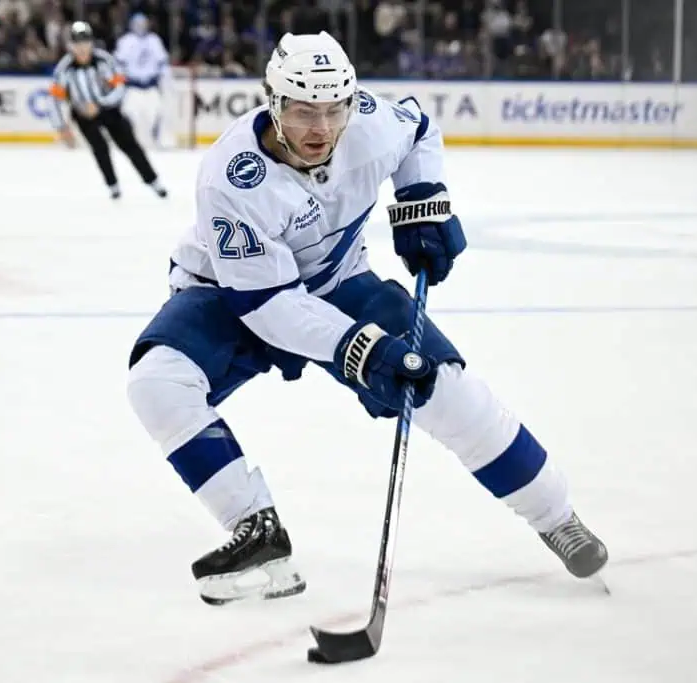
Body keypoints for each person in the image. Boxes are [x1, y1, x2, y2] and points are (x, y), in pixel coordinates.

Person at [125, 31, 607, 605]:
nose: (321, 129)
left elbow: (420, 129)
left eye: (334, 110)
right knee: (157, 382)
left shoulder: (372, 124)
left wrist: (422, 202)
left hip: (338, 282)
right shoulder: (231, 176)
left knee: (440, 384)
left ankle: (556, 515)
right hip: (234, 294)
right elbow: (269, 307)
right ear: (272, 103)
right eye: (304, 111)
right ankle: (257, 531)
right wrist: (363, 348)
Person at [48, 21, 167, 200]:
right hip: (83, 115)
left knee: (129, 144)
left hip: (109, 110)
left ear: (91, 43)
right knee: (99, 147)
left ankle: (153, 181)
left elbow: (120, 86)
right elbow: (55, 100)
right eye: (77, 43)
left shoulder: (104, 59)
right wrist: (61, 126)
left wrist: (101, 103)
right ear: (70, 46)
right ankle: (113, 185)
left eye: (85, 42)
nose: (82, 48)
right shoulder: (64, 68)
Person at [114, 13, 173, 149]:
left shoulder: (154, 40)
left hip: (151, 87)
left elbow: (162, 63)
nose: (140, 27)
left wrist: (166, 80)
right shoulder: (125, 41)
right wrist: (118, 84)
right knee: (129, 115)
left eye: (143, 24)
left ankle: (159, 141)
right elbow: (118, 64)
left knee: (157, 113)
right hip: (132, 87)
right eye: (137, 24)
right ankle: (127, 144)